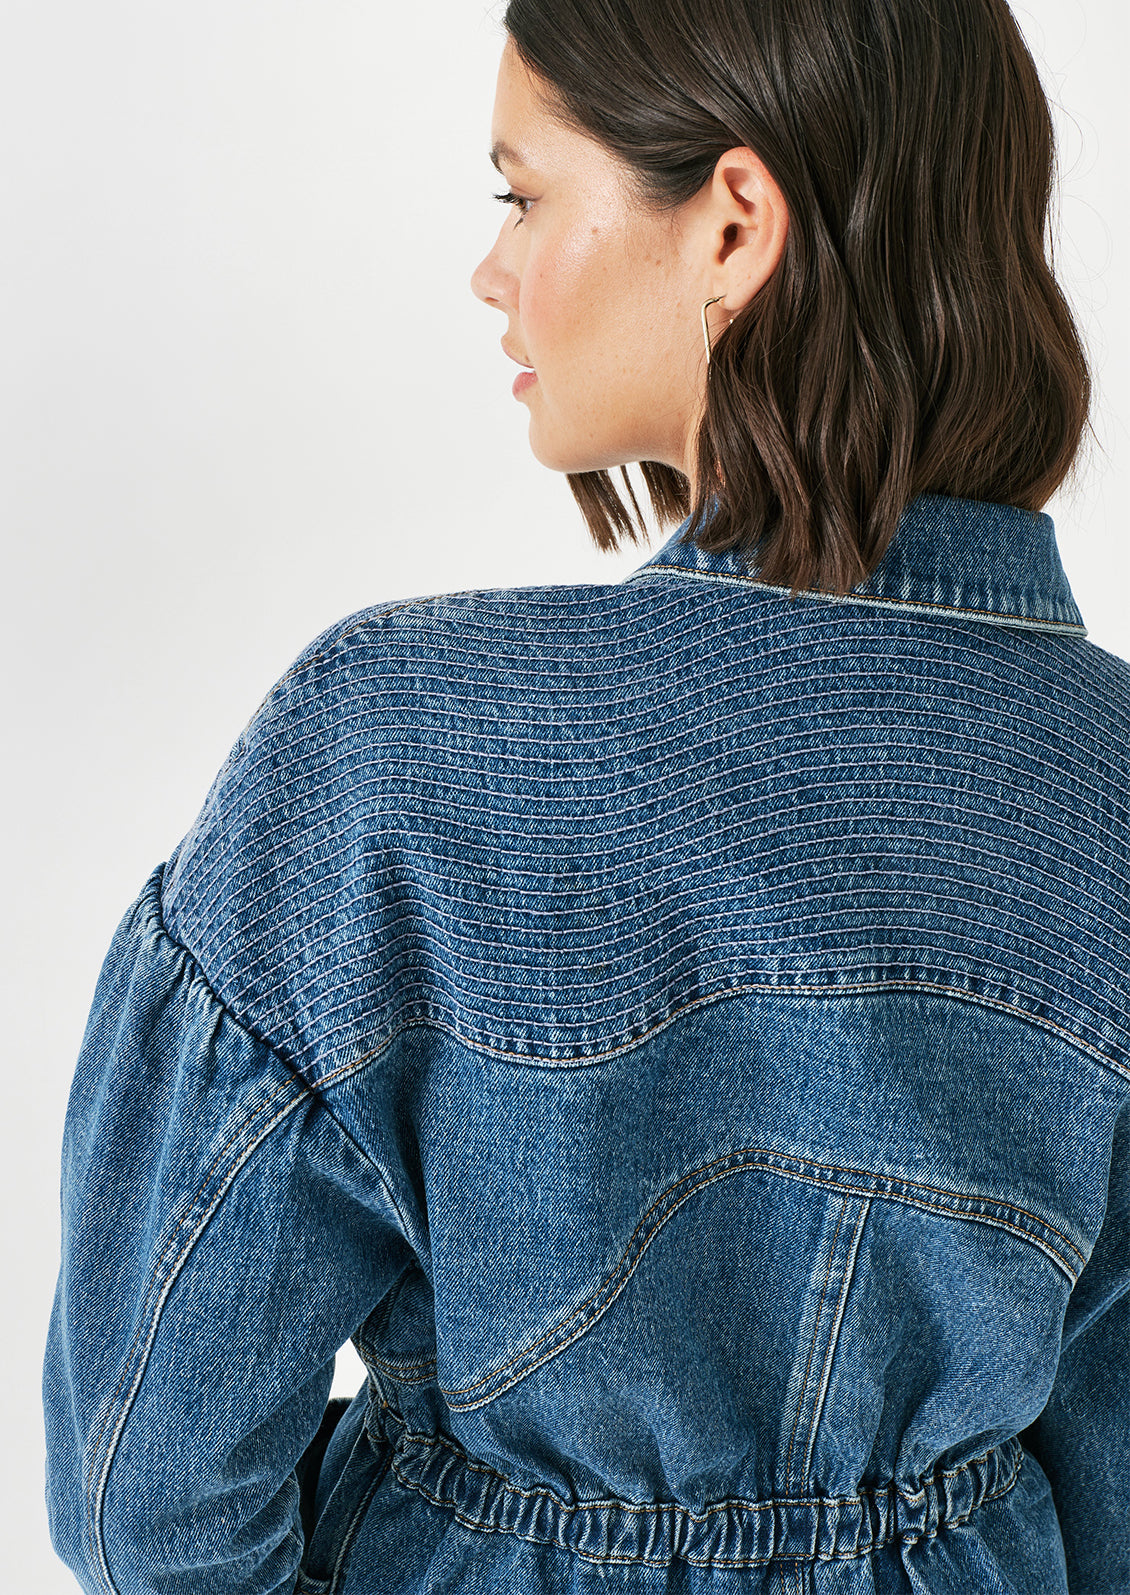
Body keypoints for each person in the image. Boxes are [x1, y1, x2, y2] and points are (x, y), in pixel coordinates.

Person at [43, 0, 1128, 1591]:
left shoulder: (392, 743)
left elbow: (149, 1491)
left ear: (733, 225)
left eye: (523, 195)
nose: (494, 270)